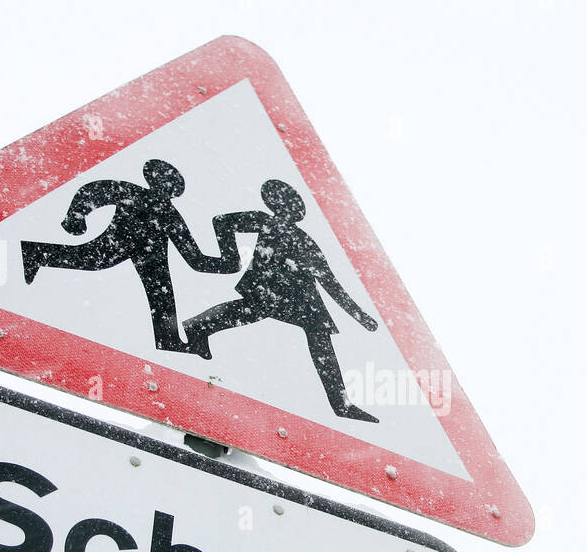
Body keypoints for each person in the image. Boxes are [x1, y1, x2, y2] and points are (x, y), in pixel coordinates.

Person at [177, 179, 380, 422]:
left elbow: (329, 281)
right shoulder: (267, 222)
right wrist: (231, 259)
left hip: (297, 296)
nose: (293, 211)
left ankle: (197, 327)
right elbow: (221, 221)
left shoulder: (301, 238)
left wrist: (360, 316)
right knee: (253, 314)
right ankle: (341, 404)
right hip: (280, 291)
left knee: (261, 317)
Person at [20, 160, 238, 351]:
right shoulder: (134, 193)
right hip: (122, 242)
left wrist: (227, 264)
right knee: (93, 260)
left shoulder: (170, 214)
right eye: (165, 182)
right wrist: (75, 217)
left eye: (172, 185)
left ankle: (168, 340)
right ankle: (36, 253)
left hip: (151, 256)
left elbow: (194, 258)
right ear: (152, 179)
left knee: (161, 294)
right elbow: (94, 191)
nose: (167, 188)